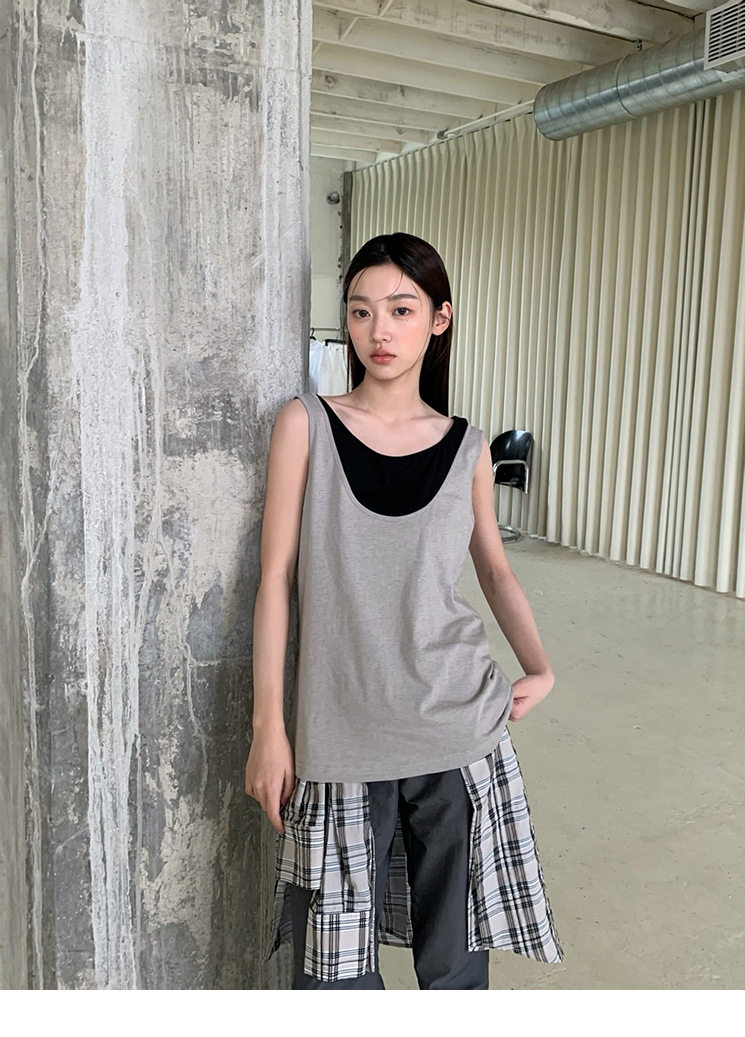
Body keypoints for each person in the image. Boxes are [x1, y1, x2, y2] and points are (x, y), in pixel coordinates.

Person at [245, 232, 562, 990]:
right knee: (333, 977)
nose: (378, 331)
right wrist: (268, 728)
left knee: (455, 970)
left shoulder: (467, 446)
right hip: (340, 740)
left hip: (457, 732)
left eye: (400, 309)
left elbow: (494, 569)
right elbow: (275, 579)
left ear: (439, 319)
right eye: (360, 311)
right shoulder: (305, 425)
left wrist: (541, 667)